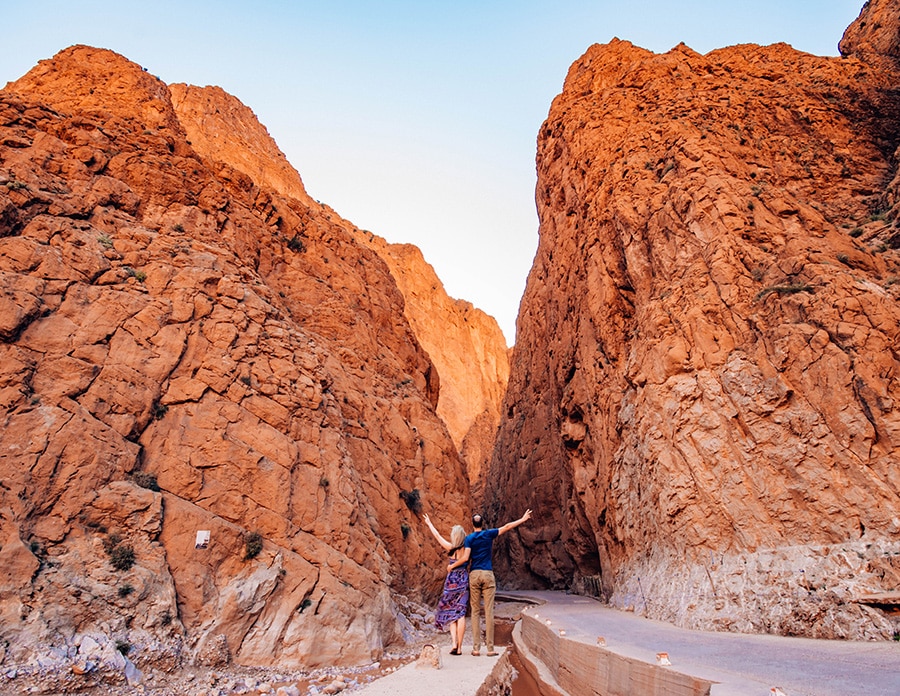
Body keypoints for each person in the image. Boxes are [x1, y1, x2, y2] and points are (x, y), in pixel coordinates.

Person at [450, 509, 532, 656]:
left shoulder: (469, 539)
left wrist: (453, 565)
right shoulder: (489, 534)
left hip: (474, 574)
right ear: (483, 523)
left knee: (475, 612)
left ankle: (476, 649)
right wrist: (523, 519)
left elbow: (466, 558)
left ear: (472, 524)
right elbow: (507, 527)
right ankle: (490, 649)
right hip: (487, 574)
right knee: (489, 611)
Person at [422, 513, 469, 655]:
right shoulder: (467, 550)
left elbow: (437, 537)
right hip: (463, 582)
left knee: (451, 613)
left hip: (451, 582)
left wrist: (429, 523)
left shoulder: (450, 549)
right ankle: (460, 648)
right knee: (460, 614)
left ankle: (453, 643)